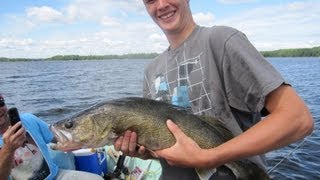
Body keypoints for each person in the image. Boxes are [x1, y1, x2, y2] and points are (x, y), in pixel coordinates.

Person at [114, 0, 314, 179]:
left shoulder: (221, 40)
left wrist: (208, 158)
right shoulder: (152, 70)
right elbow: (170, 150)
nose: (161, 5)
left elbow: (298, 119)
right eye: (150, 0)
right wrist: (144, 150)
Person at [0, 94, 104, 180]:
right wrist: (8, 148)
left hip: (56, 176)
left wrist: (93, 138)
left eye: (0, 103)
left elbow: (57, 138)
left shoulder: (29, 119)